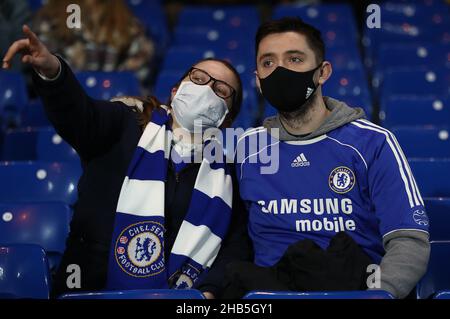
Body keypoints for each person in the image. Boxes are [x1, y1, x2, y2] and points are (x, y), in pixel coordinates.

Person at [2, 25, 251, 298]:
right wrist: (53, 72)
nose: (206, 89)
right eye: (199, 78)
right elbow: (80, 116)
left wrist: (207, 292)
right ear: (176, 90)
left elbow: (234, 247)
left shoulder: (228, 177)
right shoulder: (125, 122)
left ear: (227, 118)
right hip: (92, 288)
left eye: (221, 89)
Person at [233, 17, 430, 299]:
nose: (280, 71)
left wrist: (377, 295)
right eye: (268, 63)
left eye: (295, 59)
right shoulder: (245, 148)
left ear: (322, 72)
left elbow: (408, 240)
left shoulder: (373, 142)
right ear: (258, 81)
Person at [32, 0, 155, 86]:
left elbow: (139, 70)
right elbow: (46, 72)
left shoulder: (127, 22)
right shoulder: (51, 21)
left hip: (114, 107)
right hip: (67, 106)